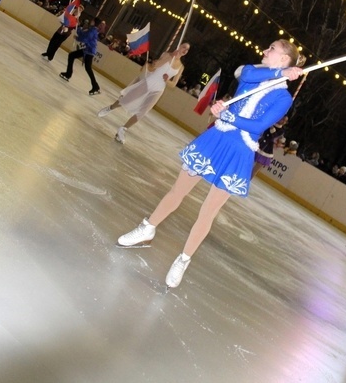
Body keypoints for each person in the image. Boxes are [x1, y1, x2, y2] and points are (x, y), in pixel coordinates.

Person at [116, 40, 304, 289]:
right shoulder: (255, 75)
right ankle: (147, 228)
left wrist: (227, 114)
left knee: (208, 211)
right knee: (178, 190)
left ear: (284, 59)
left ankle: (183, 259)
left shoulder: (283, 97)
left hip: (239, 151)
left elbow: (258, 126)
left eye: (272, 49)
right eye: (267, 46)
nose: (265, 50)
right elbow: (245, 73)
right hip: (216, 139)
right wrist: (279, 73)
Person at [96, 43, 190, 144]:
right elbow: (155, 65)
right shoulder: (167, 54)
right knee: (126, 99)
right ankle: (110, 108)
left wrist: (167, 80)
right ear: (179, 46)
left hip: (158, 89)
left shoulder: (181, 67)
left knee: (143, 112)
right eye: (184, 47)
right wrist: (171, 57)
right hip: (149, 82)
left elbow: (173, 84)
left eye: (187, 49)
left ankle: (122, 130)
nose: (185, 50)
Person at [59, 17, 102, 95]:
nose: (91, 21)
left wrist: (78, 38)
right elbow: (83, 34)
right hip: (87, 50)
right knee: (72, 55)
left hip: (89, 51)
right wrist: (78, 27)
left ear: (94, 22)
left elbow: (86, 39)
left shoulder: (93, 30)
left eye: (92, 20)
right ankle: (68, 74)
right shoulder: (91, 29)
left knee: (88, 68)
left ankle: (95, 86)